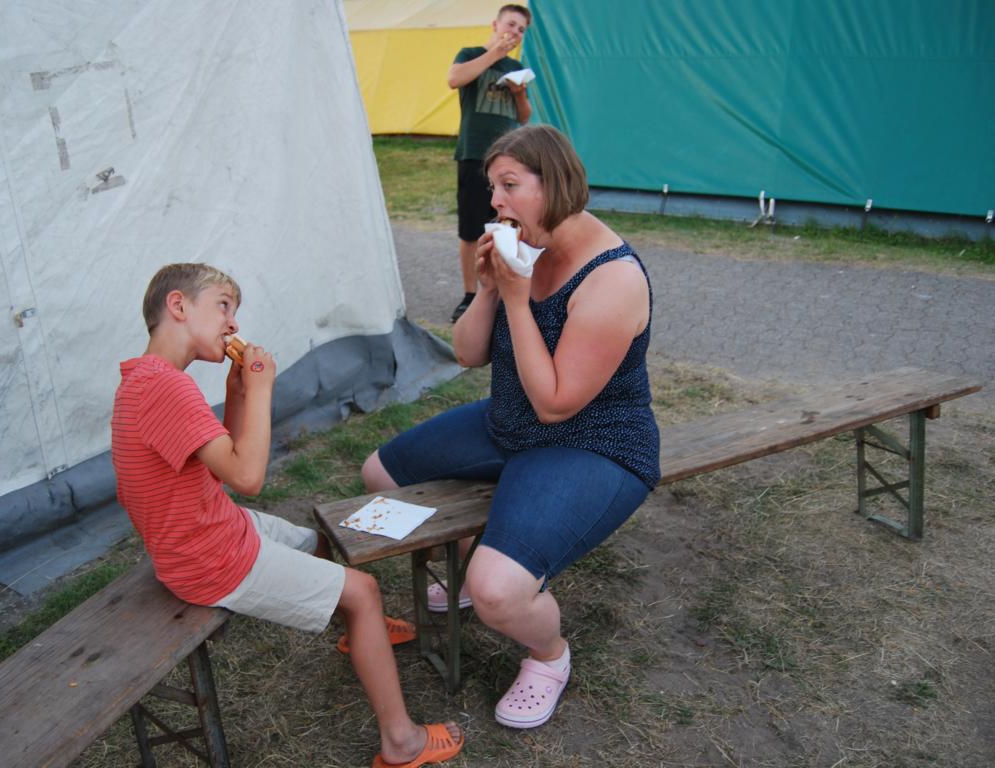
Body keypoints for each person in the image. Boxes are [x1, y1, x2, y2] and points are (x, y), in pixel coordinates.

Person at [361, 125, 660, 730]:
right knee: (380, 474)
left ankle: (549, 655)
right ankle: (475, 571)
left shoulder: (613, 279)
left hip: (593, 442)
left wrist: (520, 301)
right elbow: (468, 354)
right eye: (492, 186)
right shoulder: (523, 248)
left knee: (500, 591)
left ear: (556, 186)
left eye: (509, 185)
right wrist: (490, 290)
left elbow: (556, 404)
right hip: (509, 422)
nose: (494, 201)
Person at [111, 263, 463, 768]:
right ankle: (401, 742)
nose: (233, 324)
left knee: (315, 541)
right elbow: (248, 476)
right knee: (363, 592)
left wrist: (238, 393)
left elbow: (223, 464)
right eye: (223, 306)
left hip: (208, 528)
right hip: (208, 559)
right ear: (178, 305)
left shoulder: (145, 380)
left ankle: (359, 634)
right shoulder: (169, 388)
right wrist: (262, 390)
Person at [447, 3, 533, 323]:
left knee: (506, 227)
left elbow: (523, 117)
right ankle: (470, 295)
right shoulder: (470, 54)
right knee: (471, 229)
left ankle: (499, 292)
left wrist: (519, 93)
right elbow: (454, 79)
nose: (515, 32)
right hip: (474, 154)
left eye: (521, 30)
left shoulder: (516, 67)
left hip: (508, 160)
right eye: (511, 25)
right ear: (495, 25)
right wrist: (494, 54)